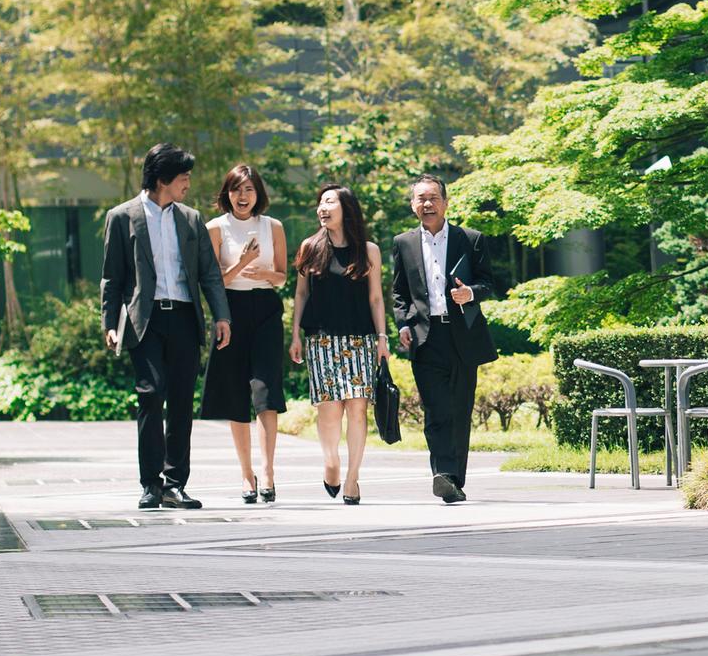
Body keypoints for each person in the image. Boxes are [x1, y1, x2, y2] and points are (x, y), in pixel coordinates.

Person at [100, 143, 231, 510]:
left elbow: (208, 273)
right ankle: (150, 484)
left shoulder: (190, 218)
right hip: (146, 319)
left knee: (180, 403)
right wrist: (110, 322)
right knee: (150, 394)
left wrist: (222, 316)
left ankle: (175, 484)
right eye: (183, 177)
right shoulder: (122, 217)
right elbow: (111, 277)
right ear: (162, 179)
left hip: (185, 317)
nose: (188, 183)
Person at [391, 175, 497, 504]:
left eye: (433, 198)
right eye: (421, 199)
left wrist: (470, 293)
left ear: (446, 203)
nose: (427, 204)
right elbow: (399, 293)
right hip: (426, 336)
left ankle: (454, 478)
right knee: (436, 408)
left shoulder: (471, 238)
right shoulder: (403, 243)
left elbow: (488, 283)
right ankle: (442, 474)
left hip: (462, 335)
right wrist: (403, 324)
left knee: (459, 408)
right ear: (413, 205)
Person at [288, 184, 391, 505]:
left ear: (346, 208)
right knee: (329, 412)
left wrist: (382, 339)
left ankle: (352, 478)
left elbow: (376, 298)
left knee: (358, 410)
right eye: (320, 203)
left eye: (329, 202)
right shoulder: (310, 247)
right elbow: (301, 294)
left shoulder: (368, 251)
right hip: (321, 340)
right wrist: (295, 335)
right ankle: (331, 460)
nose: (322, 208)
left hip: (360, 340)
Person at [199, 164, 288, 504]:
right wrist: (241, 262)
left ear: (258, 194)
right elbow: (214, 280)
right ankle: (246, 474)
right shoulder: (215, 228)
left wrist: (263, 270)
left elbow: (280, 276)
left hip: (265, 308)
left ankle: (268, 471)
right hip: (229, 311)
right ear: (227, 193)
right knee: (236, 393)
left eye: (249, 189)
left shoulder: (273, 226)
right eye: (237, 189)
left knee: (265, 392)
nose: (243, 196)